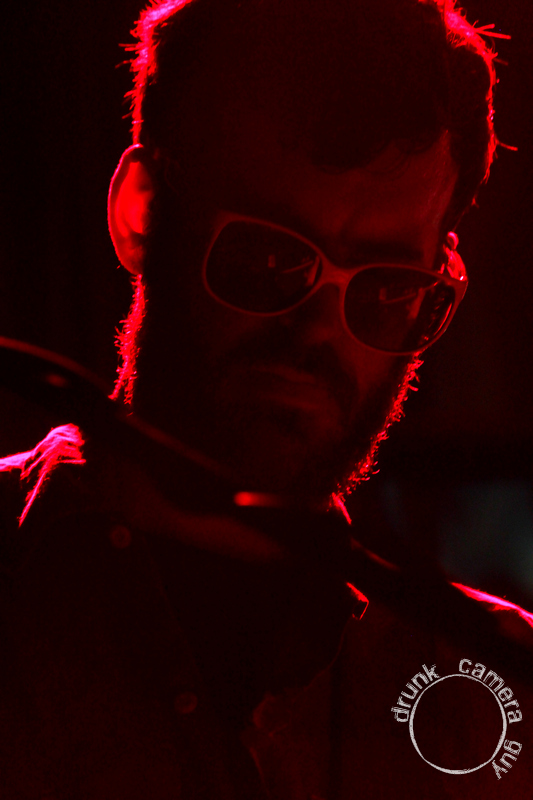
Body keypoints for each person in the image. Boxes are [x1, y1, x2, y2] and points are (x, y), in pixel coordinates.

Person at [1, 0, 532, 798]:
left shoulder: (496, 686)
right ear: (141, 213)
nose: (317, 331)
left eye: (384, 289)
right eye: (269, 259)